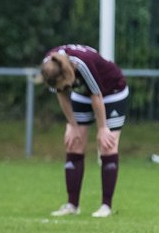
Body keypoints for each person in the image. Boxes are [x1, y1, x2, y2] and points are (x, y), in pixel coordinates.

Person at [39, 43, 128, 218]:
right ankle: (72, 205)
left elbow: (97, 96)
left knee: (107, 145)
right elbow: (61, 93)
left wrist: (102, 128)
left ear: (68, 73)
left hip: (111, 91)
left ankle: (106, 206)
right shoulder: (49, 66)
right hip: (83, 94)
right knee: (74, 143)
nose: (63, 87)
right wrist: (72, 125)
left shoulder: (82, 64)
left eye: (65, 83)